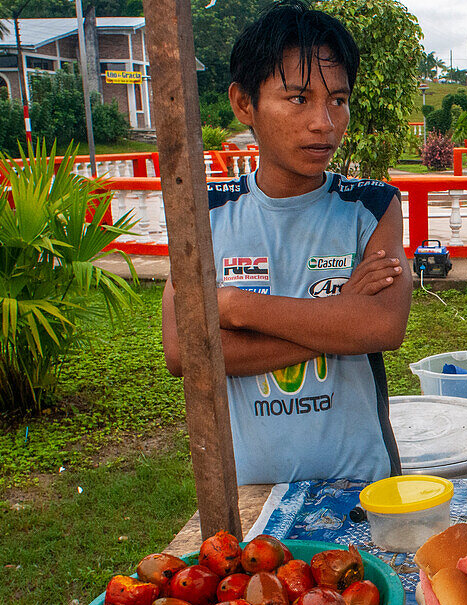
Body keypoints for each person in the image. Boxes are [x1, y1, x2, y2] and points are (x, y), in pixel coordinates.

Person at [161, 0, 411, 486]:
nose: (325, 122)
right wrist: (336, 320)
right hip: (251, 489)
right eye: (299, 98)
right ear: (243, 103)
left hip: (362, 486)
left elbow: (380, 325)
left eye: (337, 99)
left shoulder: (372, 207)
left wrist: (234, 306)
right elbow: (183, 351)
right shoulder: (203, 218)